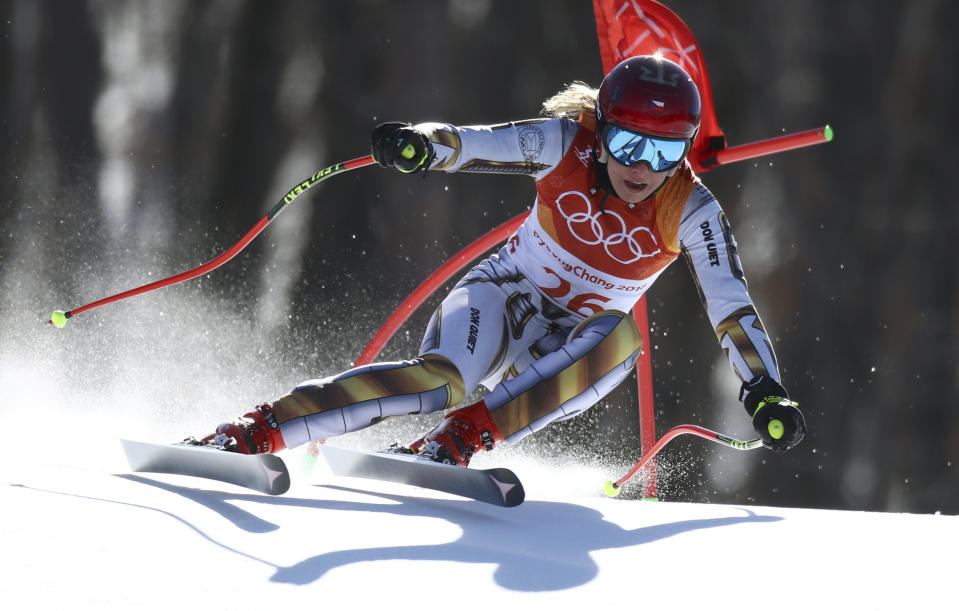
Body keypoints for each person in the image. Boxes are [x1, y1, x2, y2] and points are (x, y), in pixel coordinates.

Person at [197, 55, 806, 465]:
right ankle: (255, 432)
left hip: (564, 351)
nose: (641, 166)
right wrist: (421, 145)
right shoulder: (567, 143)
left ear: (686, 148)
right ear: (602, 125)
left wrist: (764, 390)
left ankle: (454, 444)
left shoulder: (692, 210)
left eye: (664, 149)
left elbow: (732, 307)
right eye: (627, 142)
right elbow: (473, 141)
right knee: (440, 383)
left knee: (619, 339)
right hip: (501, 297)